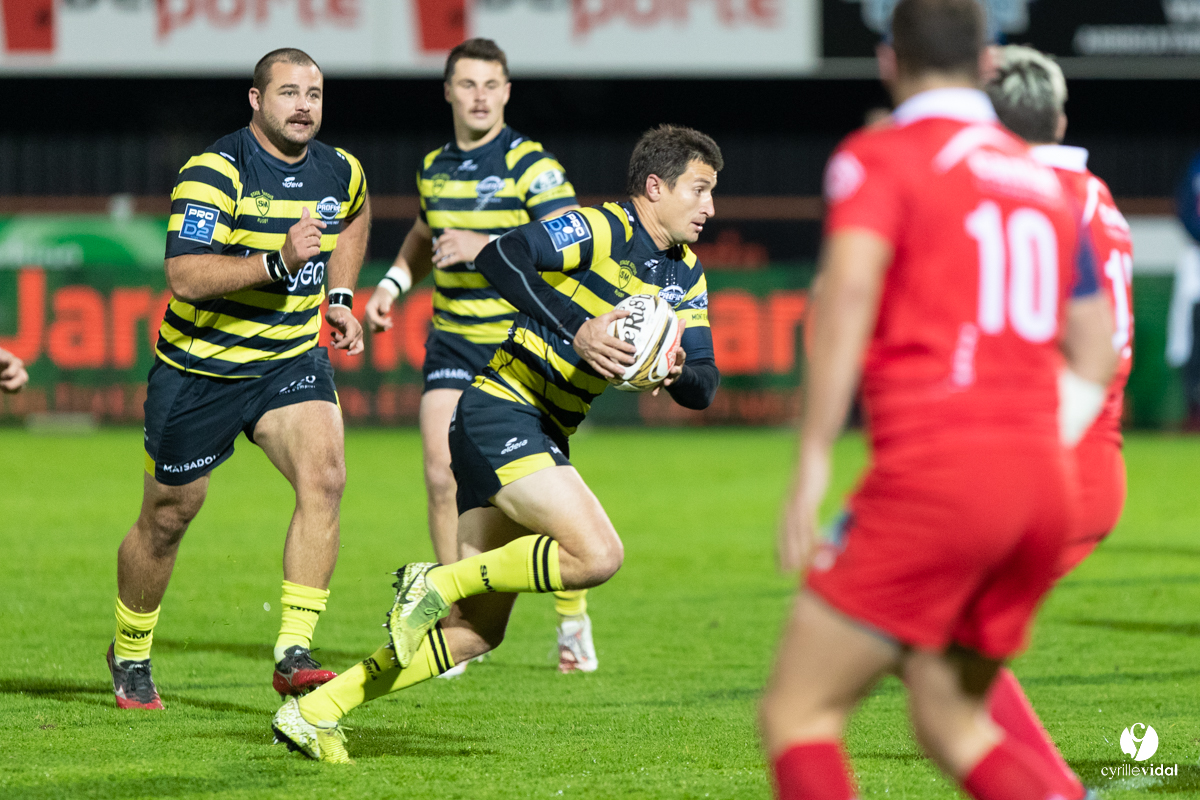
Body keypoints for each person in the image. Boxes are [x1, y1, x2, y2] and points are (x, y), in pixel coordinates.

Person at [271, 124, 722, 763]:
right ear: (655, 187)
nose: (710, 207)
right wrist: (579, 328)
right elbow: (500, 256)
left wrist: (673, 369)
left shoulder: (686, 278)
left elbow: (705, 383)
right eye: (699, 190)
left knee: (476, 633)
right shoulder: (599, 229)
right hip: (500, 410)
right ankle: (439, 579)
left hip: (541, 430)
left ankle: (316, 710)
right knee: (597, 555)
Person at [759, 2, 1117, 799]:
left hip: (940, 478)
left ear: (889, 61)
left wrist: (813, 457)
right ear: (988, 63)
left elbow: (846, 300)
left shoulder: (882, 157)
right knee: (952, 721)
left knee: (799, 714)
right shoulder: (1043, 178)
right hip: (1043, 486)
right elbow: (1096, 351)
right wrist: (1022, 447)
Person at [107, 48, 370, 710]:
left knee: (326, 476)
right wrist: (277, 260)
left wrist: (340, 297)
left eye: (314, 92)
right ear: (256, 101)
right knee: (169, 515)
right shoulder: (215, 171)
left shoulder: (339, 169)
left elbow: (358, 212)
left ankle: (294, 650)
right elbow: (186, 277)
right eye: (288, 92)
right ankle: (131, 650)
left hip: (287, 362)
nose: (304, 105)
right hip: (200, 371)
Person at [363, 38, 593, 675]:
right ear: (448, 91)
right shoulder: (435, 166)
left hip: (522, 349)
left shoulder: (531, 165)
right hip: (455, 340)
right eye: (467, 84)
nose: (480, 96)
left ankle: (572, 615)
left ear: (507, 91)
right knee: (441, 471)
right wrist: (391, 285)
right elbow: (422, 232)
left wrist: (485, 243)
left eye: (492, 84)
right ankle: (455, 616)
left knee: (530, 495)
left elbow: (569, 239)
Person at [984, 43, 1134, 800]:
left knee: (947, 640)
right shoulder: (1092, 190)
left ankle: (1053, 790)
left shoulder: (1025, 200)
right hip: (1094, 457)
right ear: (1061, 115)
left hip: (1055, 461)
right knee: (953, 646)